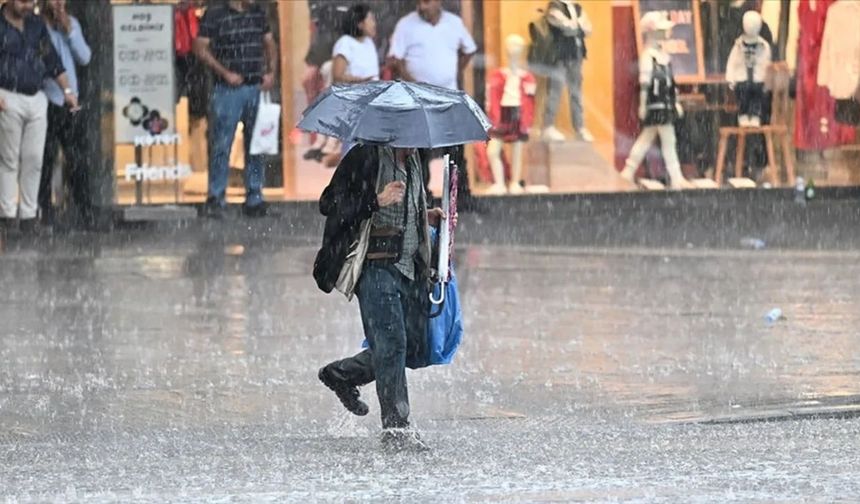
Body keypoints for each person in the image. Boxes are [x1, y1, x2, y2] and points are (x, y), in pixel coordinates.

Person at [314, 144, 445, 452]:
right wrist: (375, 200)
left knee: (410, 344)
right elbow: (329, 202)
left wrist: (424, 215)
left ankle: (342, 375)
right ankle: (397, 430)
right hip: (375, 266)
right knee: (392, 345)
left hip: (409, 266)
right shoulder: (366, 156)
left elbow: (404, 210)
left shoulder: (415, 159)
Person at [0, 0, 79, 239]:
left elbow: (53, 61)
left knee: (34, 158)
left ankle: (28, 215)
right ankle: (6, 214)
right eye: (23, 2)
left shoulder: (35, 25)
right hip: (8, 94)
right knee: (9, 158)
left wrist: (67, 92)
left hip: (36, 96)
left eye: (31, 2)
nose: (28, 7)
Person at [194, 0, 277, 219]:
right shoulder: (216, 14)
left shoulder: (258, 12)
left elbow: (269, 42)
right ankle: (217, 197)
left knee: (256, 144)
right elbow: (200, 47)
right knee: (222, 143)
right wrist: (224, 72)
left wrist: (271, 72)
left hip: (254, 86)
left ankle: (254, 197)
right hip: (227, 89)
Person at [388, 0, 477, 205]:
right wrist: (413, 82)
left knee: (454, 150)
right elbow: (395, 59)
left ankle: (459, 196)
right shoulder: (406, 25)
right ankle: (422, 197)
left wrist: (455, 71)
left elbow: (469, 49)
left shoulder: (454, 23)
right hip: (418, 101)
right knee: (420, 152)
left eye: (426, 2)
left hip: (448, 98)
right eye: (419, 3)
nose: (422, 7)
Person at [38, 0, 91, 228]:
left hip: (71, 103)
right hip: (47, 100)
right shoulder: (36, 27)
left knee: (77, 158)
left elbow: (85, 57)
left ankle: (82, 209)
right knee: (45, 160)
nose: (58, 3)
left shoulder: (72, 24)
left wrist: (68, 29)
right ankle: (45, 211)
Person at [540, 0, 593, 143]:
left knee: (576, 93)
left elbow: (588, 29)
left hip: (576, 55)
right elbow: (565, 26)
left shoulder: (577, 7)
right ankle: (548, 126)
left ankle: (580, 127)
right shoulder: (555, 6)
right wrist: (578, 26)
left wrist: (576, 26)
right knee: (555, 91)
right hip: (559, 56)